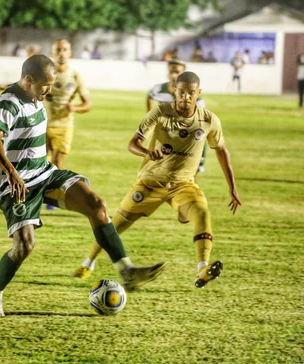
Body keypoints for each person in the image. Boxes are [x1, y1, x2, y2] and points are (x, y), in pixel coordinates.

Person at [0, 54, 166, 317]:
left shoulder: (33, 92)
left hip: (43, 173)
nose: (48, 91)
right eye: (45, 86)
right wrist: (11, 173)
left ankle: (128, 271)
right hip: (15, 183)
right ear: (29, 80)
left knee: (96, 205)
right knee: (24, 246)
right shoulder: (10, 103)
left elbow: (42, 94)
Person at [73, 71, 241, 288]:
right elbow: (132, 143)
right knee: (115, 225)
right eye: (182, 92)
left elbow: (221, 149)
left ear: (198, 92)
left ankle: (203, 268)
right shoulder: (161, 112)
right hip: (150, 182)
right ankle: (88, 262)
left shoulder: (208, 119)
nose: (186, 97)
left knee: (202, 213)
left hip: (183, 184)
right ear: (175, 91)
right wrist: (146, 152)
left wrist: (232, 187)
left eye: (191, 93)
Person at [145, 60, 207, 174]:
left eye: (177, 72)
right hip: (167, 135)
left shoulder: (191, 92)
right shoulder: (159, 89)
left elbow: (202, 114)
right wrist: (151, 117)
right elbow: (150, 96)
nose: (173, 75)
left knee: (189, 174)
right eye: (171, 71)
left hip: (186, 136)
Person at [44, 39, 91, 172]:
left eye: (65, 50)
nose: (61, 53)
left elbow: (87, 104)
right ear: (52, 53)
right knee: (39, 165)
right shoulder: (44, 74)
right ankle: (40, 192)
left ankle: (53, 192)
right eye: (58, 50)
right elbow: (26, 87)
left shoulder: (75, 76)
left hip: (63, 126)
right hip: (42, 125)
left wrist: (75, 108)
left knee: (57, 164)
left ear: (70, 53)